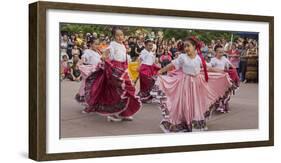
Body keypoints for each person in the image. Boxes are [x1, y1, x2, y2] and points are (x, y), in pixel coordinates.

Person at [156, 37, 234, 132]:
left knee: (195, 103)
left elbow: (208, 67)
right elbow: (172, 65)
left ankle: (193, 121)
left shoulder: (199, 58)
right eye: (185, 46)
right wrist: (161, 71)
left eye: (188, 46)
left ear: (194, 46)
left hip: (196, 83)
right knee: (185, 103)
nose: (186, 48)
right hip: (185, 83)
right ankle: (184, 122)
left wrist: (221, 71)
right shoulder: (182, 57)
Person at [83, 27, 141, 122]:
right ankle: (113, 114)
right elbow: (104, 56)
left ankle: (124, 113)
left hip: (123, 70)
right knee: (116, 92)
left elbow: (125, 59)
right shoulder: (112, 46)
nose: (120, 37)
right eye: (117, 35)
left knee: (128, 90)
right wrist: (106, 60)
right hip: (115, 70)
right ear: (114, 36)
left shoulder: (123, 45)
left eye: (121, 35)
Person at [75, 38, 102, 104]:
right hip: (91, 70)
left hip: (98, 70)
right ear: (91, 44)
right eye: (95, 44)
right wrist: (78, 64)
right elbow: (83, 58)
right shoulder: (88, 51)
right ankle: (87, 101)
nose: (97, 45)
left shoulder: (98, 52)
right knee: (89, 86)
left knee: (97, 86)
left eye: (98, 44)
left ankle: (94, 101)